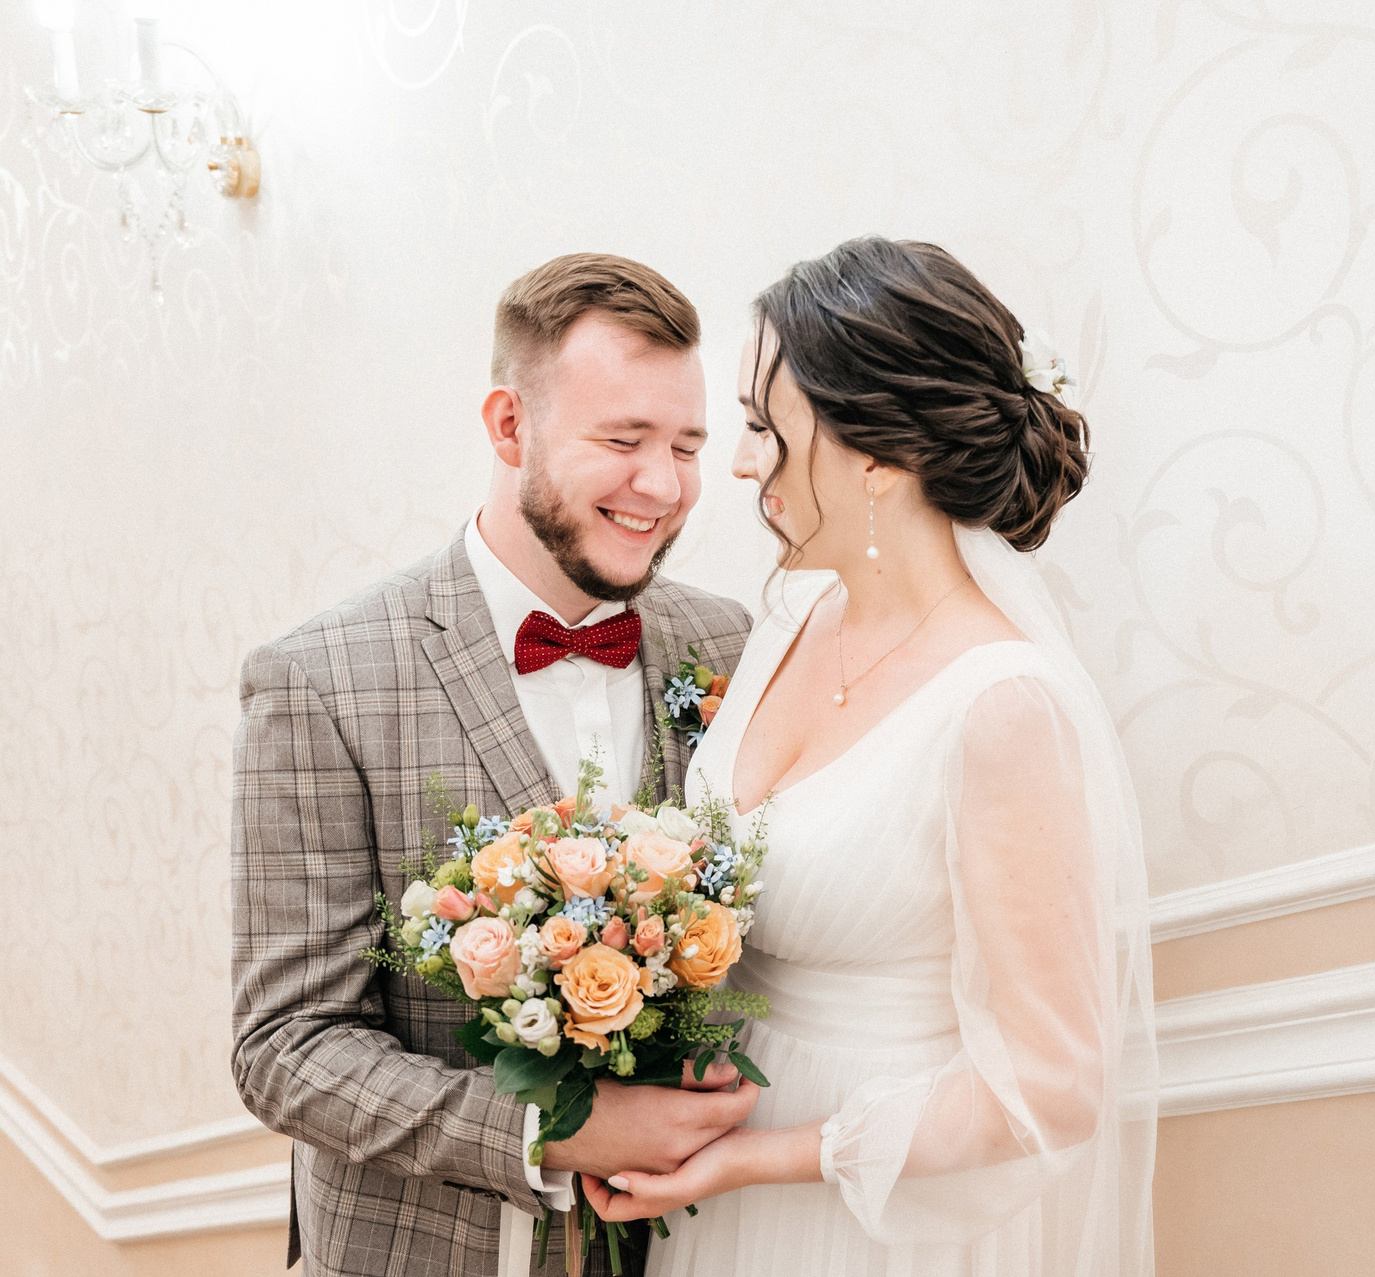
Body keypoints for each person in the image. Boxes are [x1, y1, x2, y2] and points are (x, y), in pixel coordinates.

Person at [584, 237, 1158, 1276]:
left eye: (766, 427)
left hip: (875, 1211)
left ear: (879, 455)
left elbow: (1056, 1083)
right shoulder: (790, 620)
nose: (742, 463)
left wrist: (762, 1159)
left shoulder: (1004, 706)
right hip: (717, 1178)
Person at [229, 253, 758, 1277]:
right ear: (510, 426)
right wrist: (551, 1130)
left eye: (687, 445)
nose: (664, 485)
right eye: (623, 440)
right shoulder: (319, 680)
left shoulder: (727, 642)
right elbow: (285, 1047)